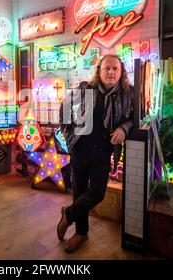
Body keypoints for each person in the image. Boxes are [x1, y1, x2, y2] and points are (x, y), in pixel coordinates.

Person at [58, 54, 134, 252]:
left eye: (114, 69)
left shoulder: (128, 93)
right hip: (80, 149)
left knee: (97, 193)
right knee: (79, 192)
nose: (110, 72)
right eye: (106, 68)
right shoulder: (86, 89)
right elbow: (64, 108)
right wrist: (68, 138)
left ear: (121, 72)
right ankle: (82, 233)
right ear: (99, 71)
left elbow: (134, 118)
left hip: (103, 152)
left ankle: (68, 214)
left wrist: (123, 128)